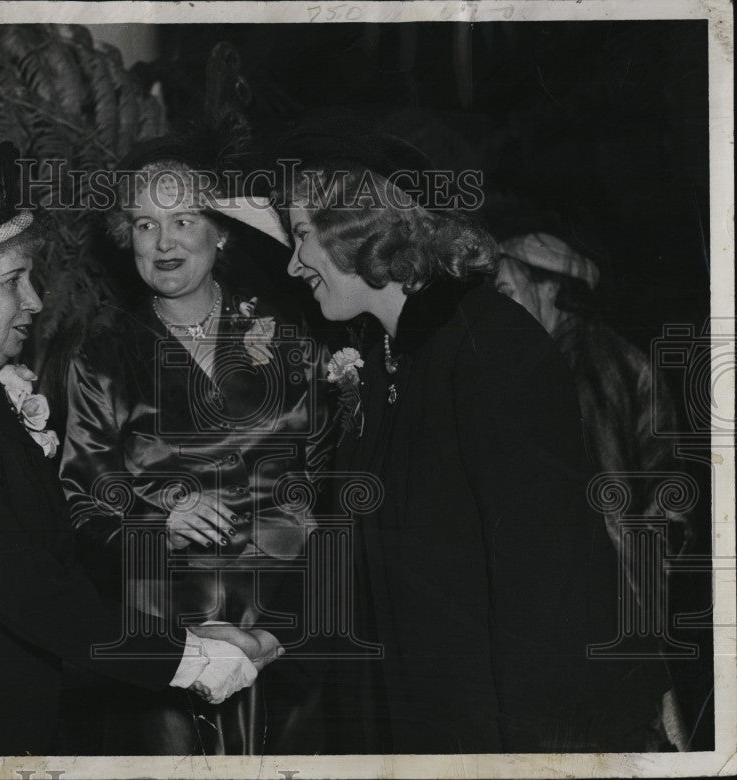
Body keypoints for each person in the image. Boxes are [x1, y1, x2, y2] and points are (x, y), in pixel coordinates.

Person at [0, 158, 281, 756]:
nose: (34, 301)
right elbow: (30, 595)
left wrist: (183, 633)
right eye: (13, 281)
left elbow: (48, 568)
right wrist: (190, 659)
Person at [279, 132, 668, 753]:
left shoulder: (493, 349)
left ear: (357, 227)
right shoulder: (384, 360)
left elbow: (547, 585)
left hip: (499, 730)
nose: (293, 263)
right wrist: (277, 641)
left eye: (299, 235)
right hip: (415, 715)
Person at [57, 137, 332, 754]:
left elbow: (331, 481)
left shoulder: (289, 338)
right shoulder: (101, 357)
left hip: (285, 618)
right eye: (145, 224)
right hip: (169, 634)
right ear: (125, 237)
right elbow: (80, 511)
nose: (164, 242)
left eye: (183, 220)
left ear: (222, 231)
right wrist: (158, 521)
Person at [496, 231, 691, 749]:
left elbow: (602, 501)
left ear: (552, 289)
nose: (498, 311)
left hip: (599, 603)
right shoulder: (608, 352)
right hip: (633, 589)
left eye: (507, 292)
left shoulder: (576, 366)